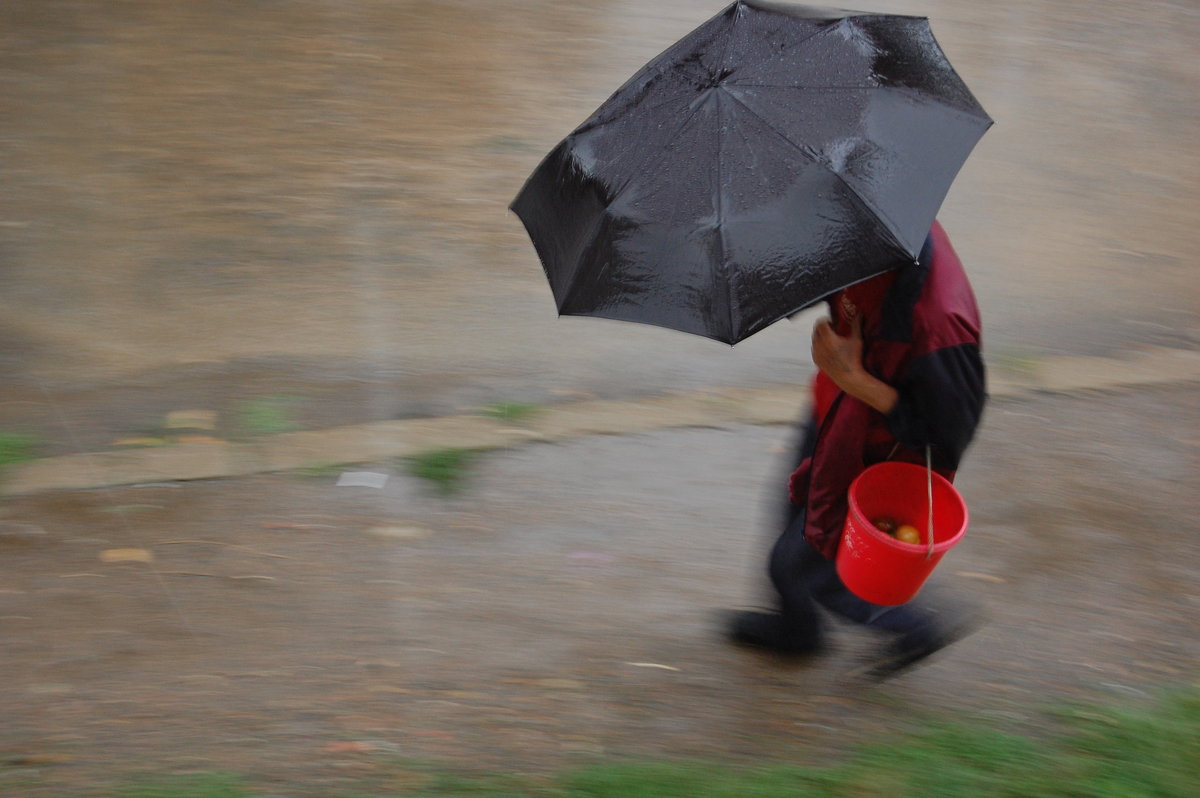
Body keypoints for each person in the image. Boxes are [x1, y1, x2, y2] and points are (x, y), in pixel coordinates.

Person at [727, 220, 986, 680]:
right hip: (838, 410)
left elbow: (948, 430)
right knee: (790, 512)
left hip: (879, 449)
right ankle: (797, 628)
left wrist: (858, 382)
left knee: (806, 561)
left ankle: (913, 627)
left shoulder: (938, 324)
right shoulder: (849, 229)